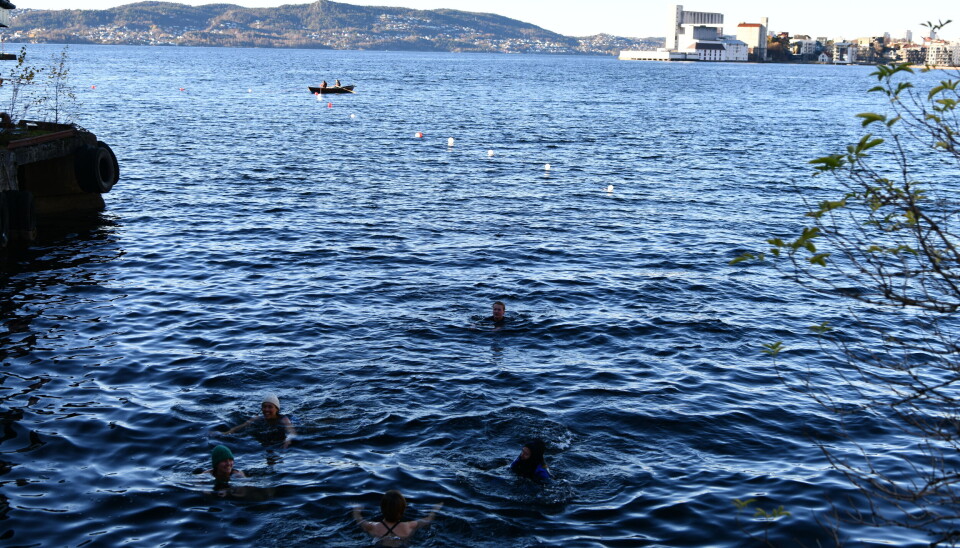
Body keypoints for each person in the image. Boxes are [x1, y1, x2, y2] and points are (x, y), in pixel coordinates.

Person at [353, 490, 443, 547]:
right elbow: (428, 519)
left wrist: (356, 510)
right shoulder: (409, 526)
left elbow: (359, 520)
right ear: (403, 510)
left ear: (382, 509)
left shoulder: (372, 527)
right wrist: (435, 509)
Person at [219, 393, 297, 449]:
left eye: (270, 407)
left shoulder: (284, 419)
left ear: (277, 409)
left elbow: (292, 432)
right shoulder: (258, 418)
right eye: (264, 407)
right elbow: (241, 426)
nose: (266, 410)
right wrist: (225, 433)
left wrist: (288, 440)